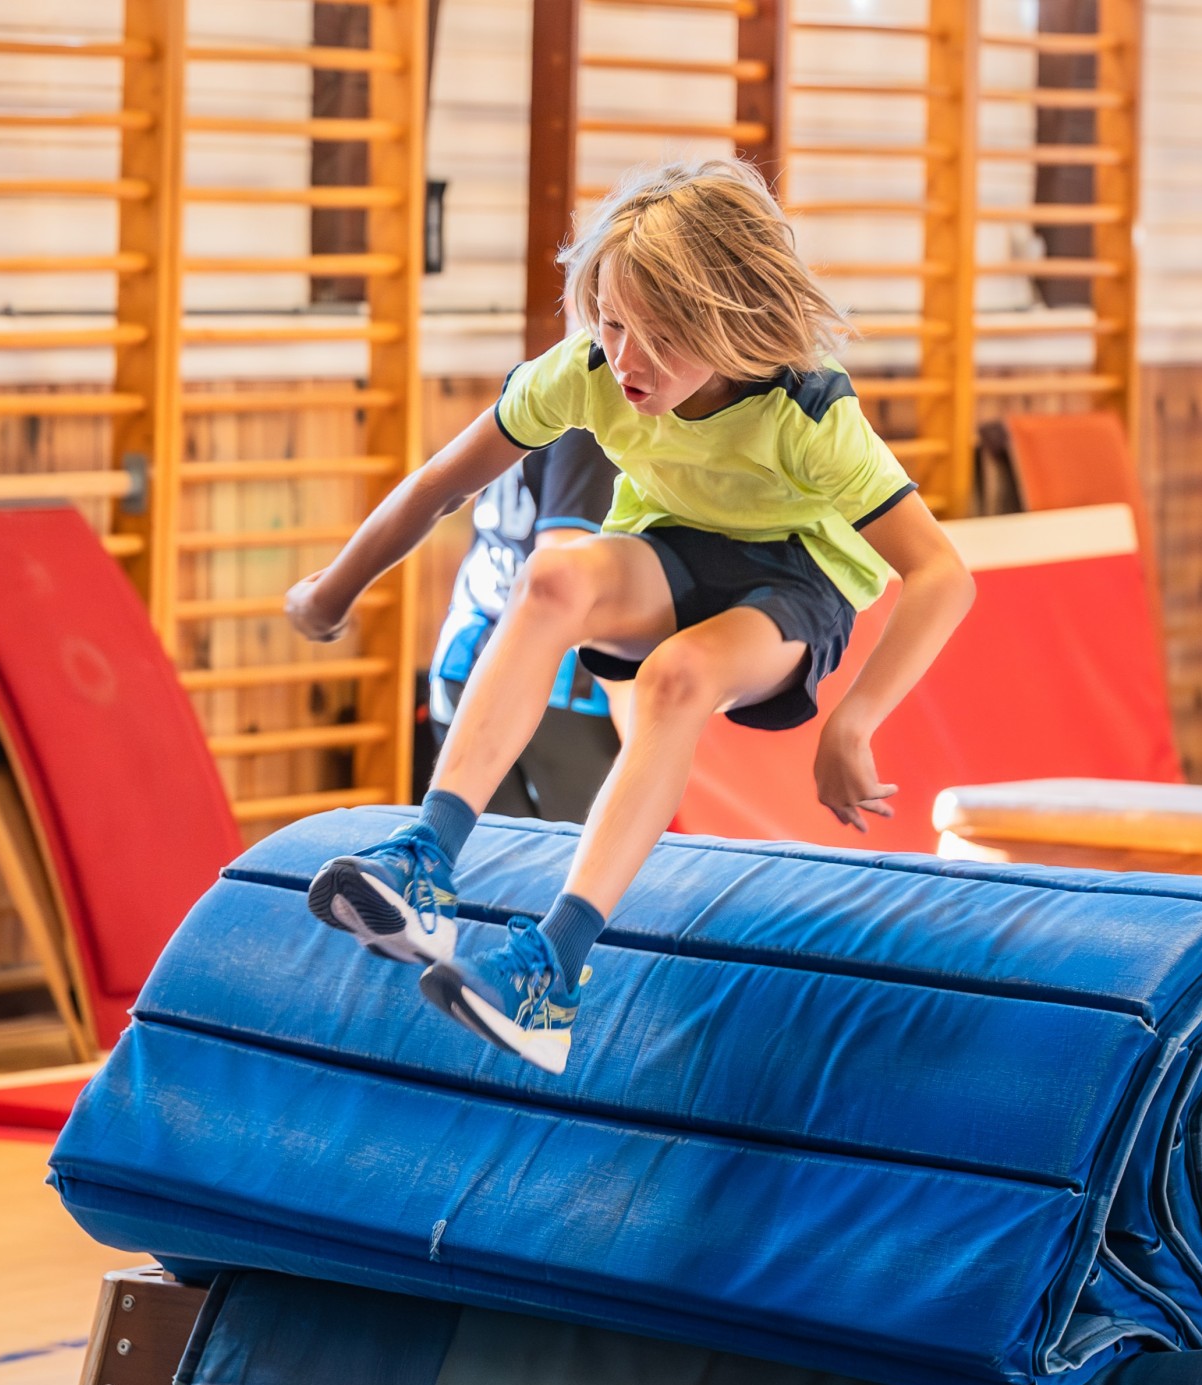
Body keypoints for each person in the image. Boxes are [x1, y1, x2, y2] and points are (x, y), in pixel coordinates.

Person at [284, 157, 975, 1074]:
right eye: (611, 323)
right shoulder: (588, 371)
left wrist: (855, 720)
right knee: (555, 578)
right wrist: (335, 587)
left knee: (676, 677)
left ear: (729, 326)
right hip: (672, 546)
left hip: (795, 581)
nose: (627, 357)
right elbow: (442, 483)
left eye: (659, 336)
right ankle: (426, 857)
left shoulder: (806, 415)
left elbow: (940, 574)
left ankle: (553, 971)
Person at [427, 429, 621, 822]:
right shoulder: (594, 418)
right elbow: (560, 573)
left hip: (467, 654)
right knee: (573, 864)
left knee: (485, 863)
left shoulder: (527, 394)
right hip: (553, 682)